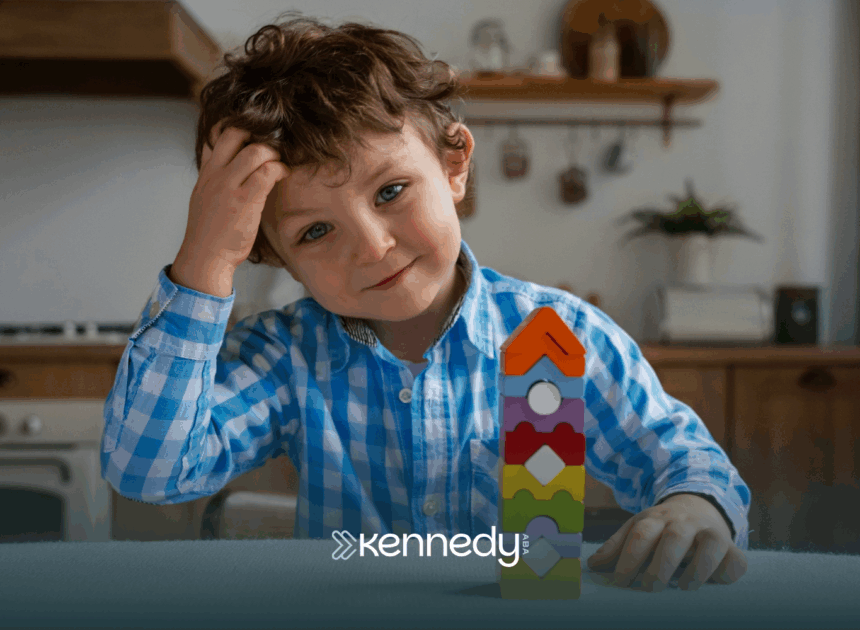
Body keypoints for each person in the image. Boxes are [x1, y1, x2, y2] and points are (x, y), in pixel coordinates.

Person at [101, 11, 749, 593]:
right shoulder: (286, 356)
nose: (374, 248)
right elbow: (149, 472)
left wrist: (697, 505)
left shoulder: (560, 335)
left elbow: (685, 458)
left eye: (391, 192)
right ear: (273, 255)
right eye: (316, 232)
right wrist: (207, 259)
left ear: (454, 164)